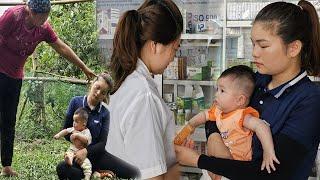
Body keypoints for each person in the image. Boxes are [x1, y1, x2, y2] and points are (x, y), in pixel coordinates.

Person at [175, 0, 320, 179]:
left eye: (263, 45)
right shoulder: (254, 81)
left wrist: (199, 160)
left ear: (293, 48)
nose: (255, 53)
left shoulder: (310, 100)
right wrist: (214, 137)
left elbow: (271, 173)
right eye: (253, 44)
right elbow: (217, 109)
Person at [0, 0, 95, 176]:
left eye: (47, 15)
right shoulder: (12, 16)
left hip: (15, 76)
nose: (45, 19)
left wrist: (83, 67)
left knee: (9, 121)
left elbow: (61, 47)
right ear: (30, 11)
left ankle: (6, 165)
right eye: (42, 15)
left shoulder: (43, 28)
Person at [105, 0, 183, 179]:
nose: (174, 57)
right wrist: (179, 162)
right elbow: (151, 176)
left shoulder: (129, 82)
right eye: (175, 48)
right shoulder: (143, 96)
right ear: (154, 45)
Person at [174, 65, 279, 180]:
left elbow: (261, 126)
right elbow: (204, 115)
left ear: (240, 100)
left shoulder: (241, 115)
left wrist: (268, 151)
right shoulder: (218, 111)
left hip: (234, 169)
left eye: (222, 91)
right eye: (217, 89)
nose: (216, 94)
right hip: (216, 165)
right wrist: (190, 125)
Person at [56, 72, 140, 180]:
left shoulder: (105, 113)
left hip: (98, 154)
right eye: (97, 88)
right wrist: (76, 139)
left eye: (103, 92)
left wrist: (86, 151)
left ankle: (97, 171)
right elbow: (66, 130)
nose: (98, 93)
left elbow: (102, 143)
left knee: (133, 172)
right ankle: (95, 172)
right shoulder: (75, 102)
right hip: (78, 155)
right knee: (62, 168)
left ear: (105, 96)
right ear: (92, 84)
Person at [54, 107, 92, 180]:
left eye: (76, 122)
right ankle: (69, 161)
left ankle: (87, 176)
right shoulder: (73, 129)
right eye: (73, 121)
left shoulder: (86, 132)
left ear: (84, 124)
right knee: (68, 154)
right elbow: (65, 131)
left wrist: (77, 135)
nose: (74, 123)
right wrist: (58, 135)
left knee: (87, 165)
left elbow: (86, 141)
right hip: (72, 150)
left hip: (81, 153)